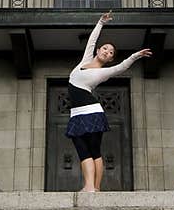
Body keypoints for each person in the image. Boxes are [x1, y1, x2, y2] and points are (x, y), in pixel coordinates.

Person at [65, 11, 152, 192]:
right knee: (87, 151)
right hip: (78, 113)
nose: (107, 51)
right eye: (105, 48)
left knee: (90, 151)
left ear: (110, 58)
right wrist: (100, 23)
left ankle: (91, 187)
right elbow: (91, 40)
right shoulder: (86, 59)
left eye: (110, 52)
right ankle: (93, 188)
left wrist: (135, 56)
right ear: (98, 50)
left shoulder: (103, 72)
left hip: (90, 112)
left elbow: (122, 67)